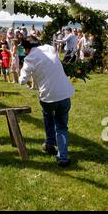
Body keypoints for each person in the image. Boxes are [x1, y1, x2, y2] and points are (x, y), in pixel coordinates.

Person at [19, 38, 75, 167]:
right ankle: (62, 156)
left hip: (48, 96)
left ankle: (51, 144)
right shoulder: (49, 48)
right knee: (61, 126)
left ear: (27, 49)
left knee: (49, 116)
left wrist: (19, 68)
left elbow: (22, 80)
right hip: (64, 93)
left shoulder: (29, 59)